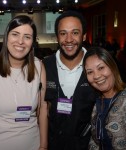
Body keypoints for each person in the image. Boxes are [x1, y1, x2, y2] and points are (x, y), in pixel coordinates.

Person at [0, 15, 48, 150]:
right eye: (15, 34)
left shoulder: (39, 66)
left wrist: (43, 146)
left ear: (33, 42)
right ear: (6, 37)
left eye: (27, 36)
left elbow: (43, 107)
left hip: (31, 144)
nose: (20, 41)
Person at [42, 10, 97, 150]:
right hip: (53, 144)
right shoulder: (44, 66)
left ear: (84, 36)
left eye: (75, 32)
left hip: (87, 145)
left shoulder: (97, 65)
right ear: (57, 37)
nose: (69, 39)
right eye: (63, 33)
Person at [83, 47, 126, 150]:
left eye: (101, 68)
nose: (96, 76)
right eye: (90, 72)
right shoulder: (96, 104)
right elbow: (95, 141)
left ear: (112, 67)